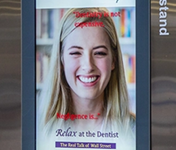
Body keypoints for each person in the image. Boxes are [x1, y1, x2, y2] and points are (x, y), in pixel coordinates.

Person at [39, 7, 134, 135]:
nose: (88, 66)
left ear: (113, 61)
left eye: (99, 53)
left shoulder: (136, 131)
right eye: (76, 53)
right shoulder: (37, 131)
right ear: (61, 61)